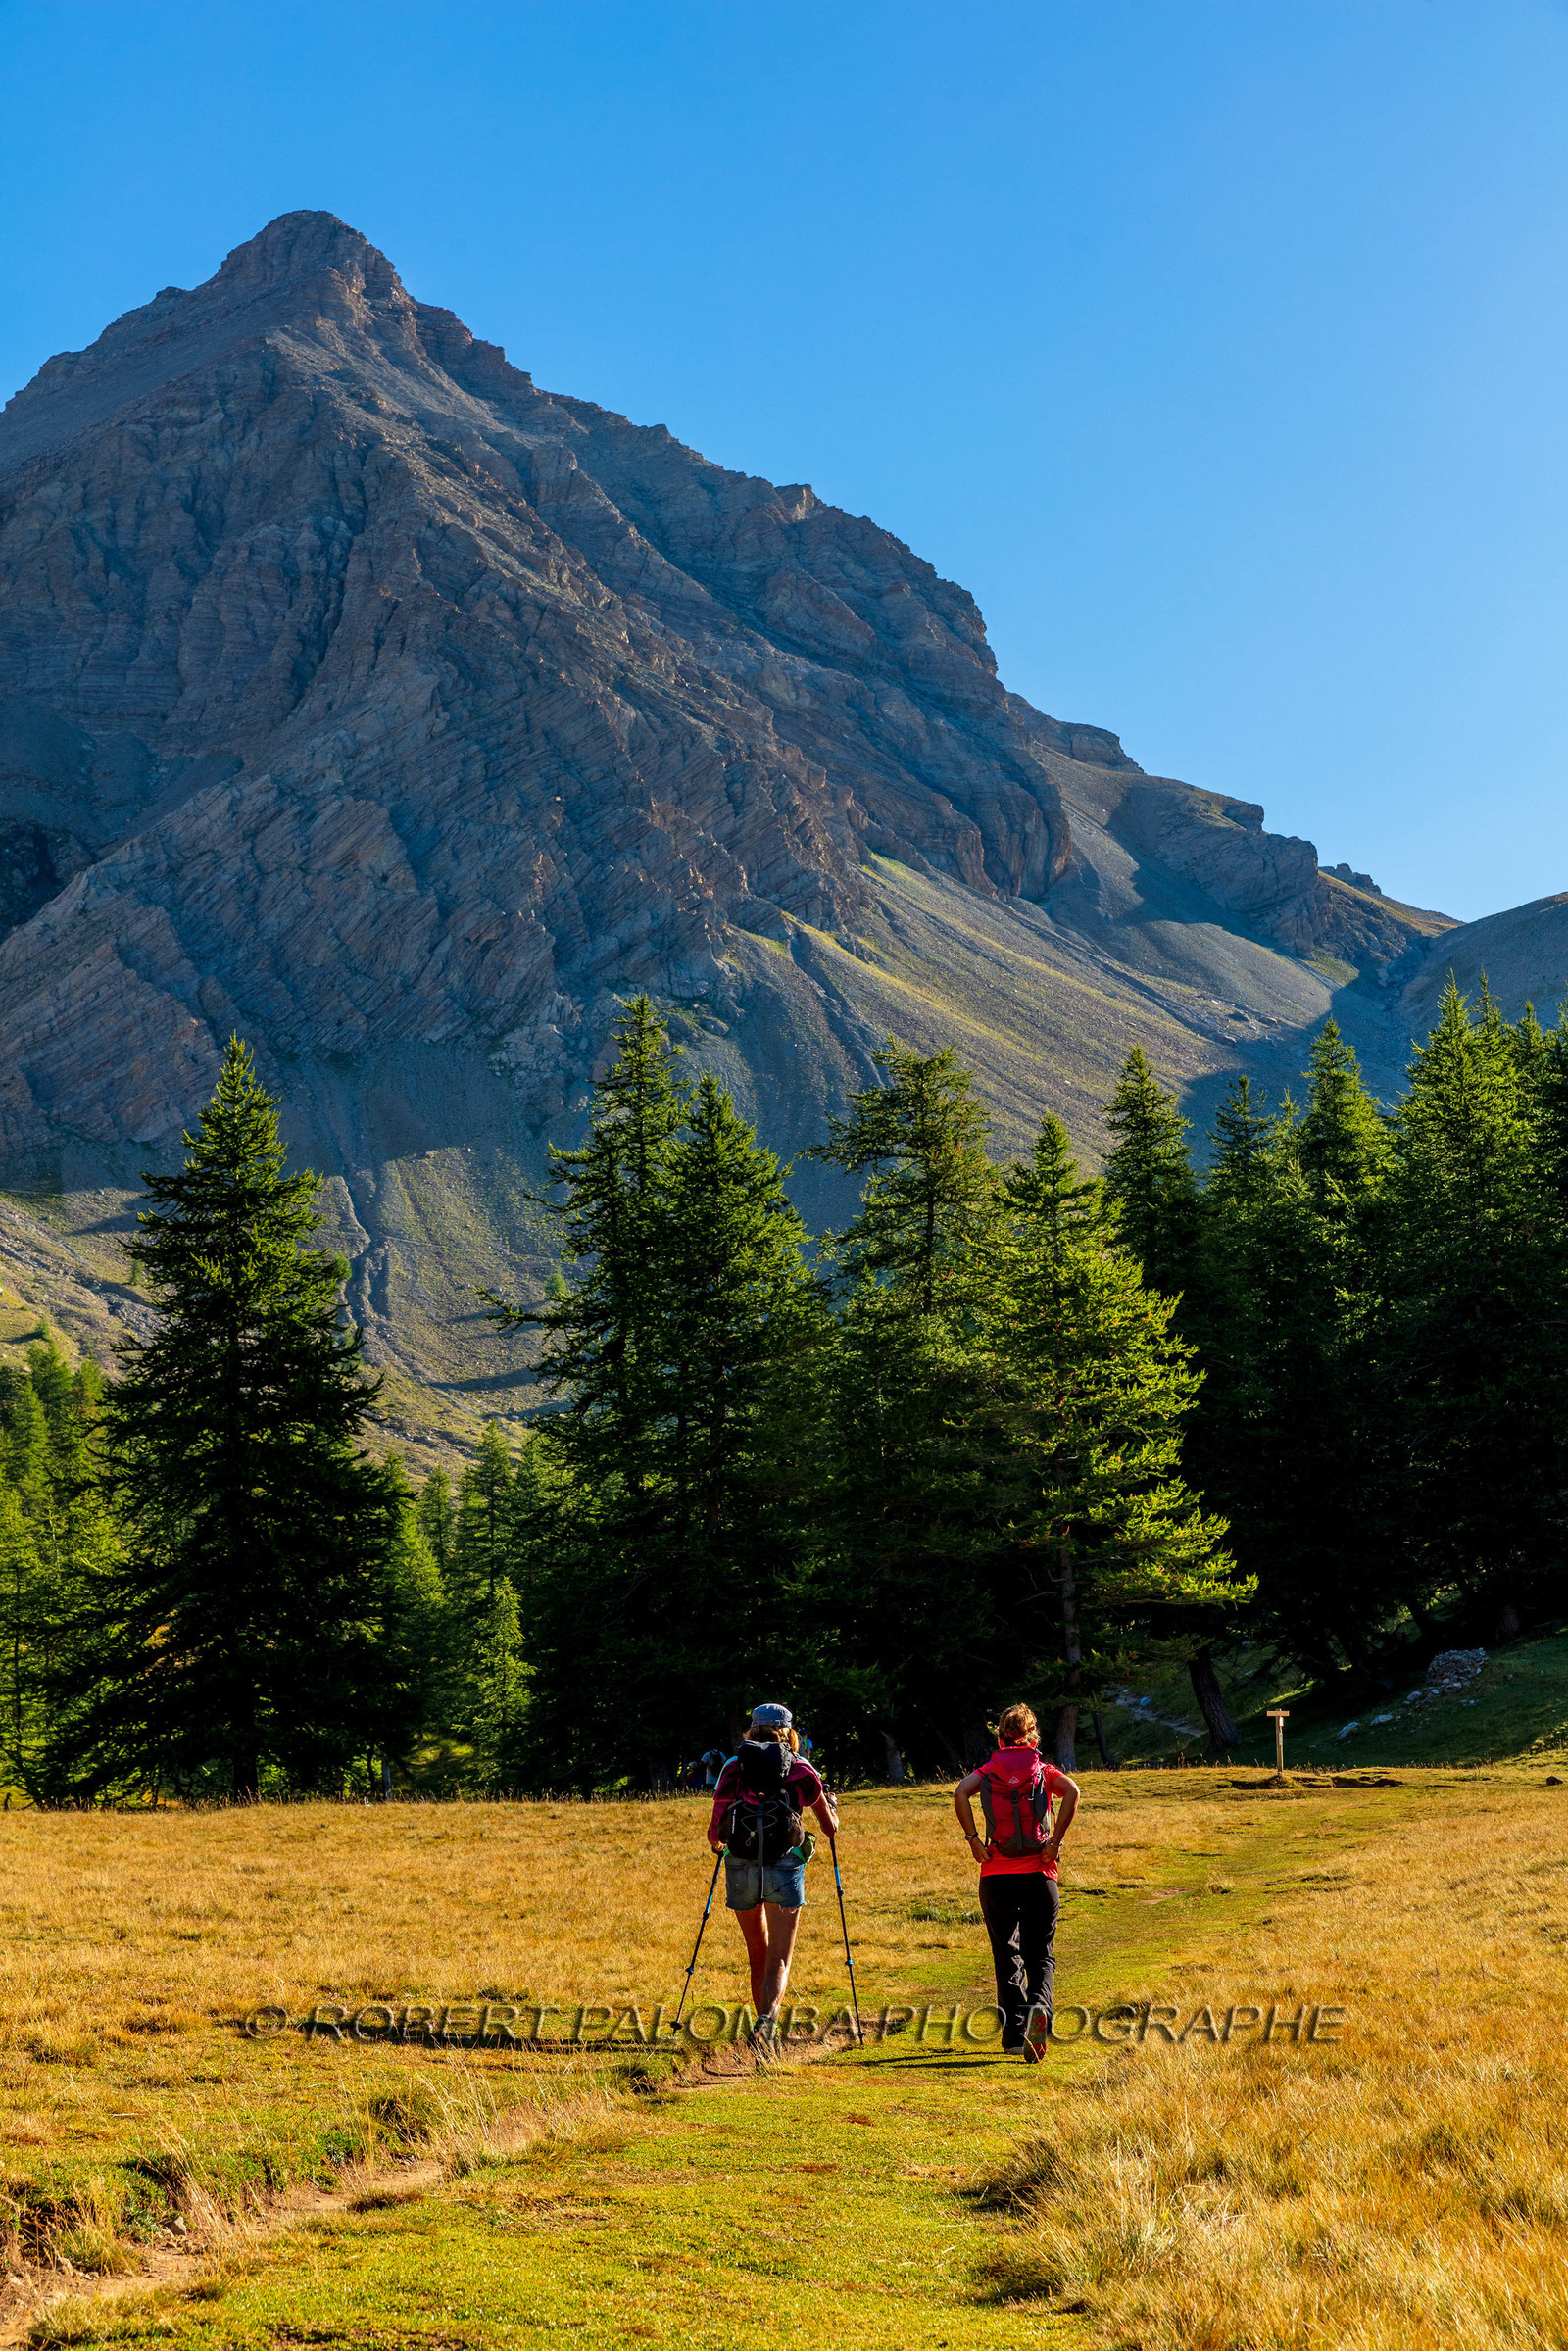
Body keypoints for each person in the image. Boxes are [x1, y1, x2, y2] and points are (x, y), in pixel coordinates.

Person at [708, 1701, 838, 2051]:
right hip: (785, 1867)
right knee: (779, 1958)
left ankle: (761, 2028)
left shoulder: (733, 1767)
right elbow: (830, 1827)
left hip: (740, 1866)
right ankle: (767, 2024)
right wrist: (832, 1810)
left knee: (757, 1955)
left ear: (752, 1730)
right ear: (789, 1731)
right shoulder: (801, 1767)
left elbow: (714, 1834)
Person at [953, 1702, 1078, 2059]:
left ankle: (1011, 2037)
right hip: (1040, 1873)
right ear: (1032, 1735)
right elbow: (1073, 1792)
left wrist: (974, 1839)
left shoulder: (988, 1770)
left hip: (996, 1875)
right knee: (1041, 1955)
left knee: (1006, 1954)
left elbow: (960, 1792)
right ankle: (1039, 2013)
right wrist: (1054, 1844)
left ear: (1000, 1736)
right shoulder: (1043, 1769)